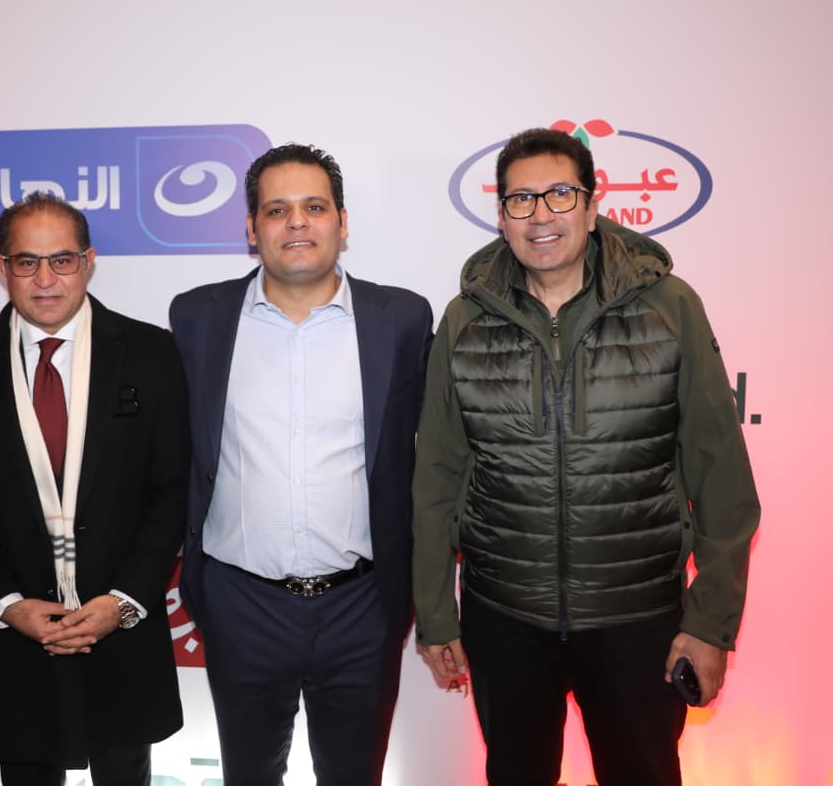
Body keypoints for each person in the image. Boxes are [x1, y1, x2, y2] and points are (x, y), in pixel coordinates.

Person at [412, 127, 761, 785]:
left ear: (594, 206)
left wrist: (711, 623)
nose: (540, 214)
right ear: (501, 217)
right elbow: (436, 479)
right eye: (520, 200)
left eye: (560, 195)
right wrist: (435, 615)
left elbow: (721, 476)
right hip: (504, 619)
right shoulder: (464, 320)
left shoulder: (670, 307)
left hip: (639, 621)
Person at [170, 143, 433, 785]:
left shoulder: (401, 319)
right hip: (240, 605)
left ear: (342, 222)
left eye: (314, 207)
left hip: (362, 606)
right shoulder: (198, 318)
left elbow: (437, 454)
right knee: (249, 775)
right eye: (276, 209)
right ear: (251, 228)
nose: (296, 222)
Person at [0, 192, 189, 785]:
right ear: (1, 266)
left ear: (88, 261)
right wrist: (6, 605)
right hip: (19, 633)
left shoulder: (151, 352)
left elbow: (173, 491)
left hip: (120, 626)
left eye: (62, 260)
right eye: (26, 262)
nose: (45, 279)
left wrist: (123, 601)